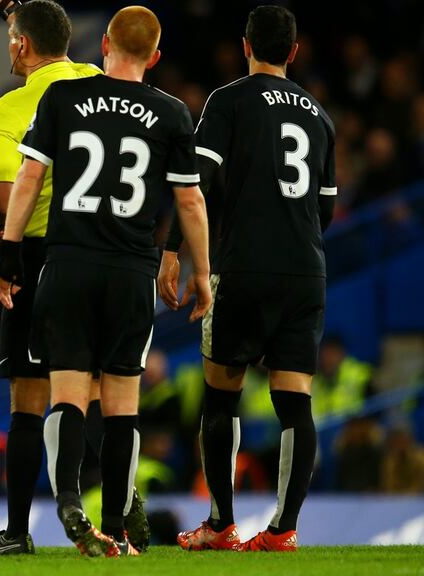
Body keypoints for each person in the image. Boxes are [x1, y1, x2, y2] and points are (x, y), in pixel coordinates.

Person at [0, 5, 211, 557]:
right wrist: (200, 271)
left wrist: (9, 252)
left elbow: (29, 177)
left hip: (65, 266)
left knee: (65, 394)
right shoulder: (171, 113)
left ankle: (68, 498)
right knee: (121, 404)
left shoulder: (62, 99)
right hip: (130, 272)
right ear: (155, 57)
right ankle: (115, 526)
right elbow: (189, 200)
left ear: (105, 43)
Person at [0, 0, 147, 555]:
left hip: (34, 254)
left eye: (11, 41)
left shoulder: (8, 107)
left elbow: (4, 201)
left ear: (21, 44)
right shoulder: (93, 80)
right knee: (95, 392)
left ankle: (19, 531)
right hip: (101, 251)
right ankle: (120, 503)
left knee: (29, 397)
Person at [161, 5, 336, 552]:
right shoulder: (320, 117)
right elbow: (325, 209)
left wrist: (178, 254)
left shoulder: (229, 100)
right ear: (294, 51)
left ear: (245, 46)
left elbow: (199, 181)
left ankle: (220, 524)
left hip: (242, 269)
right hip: (305, 270)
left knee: (221, 397)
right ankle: (283, 530)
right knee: (295, 403)